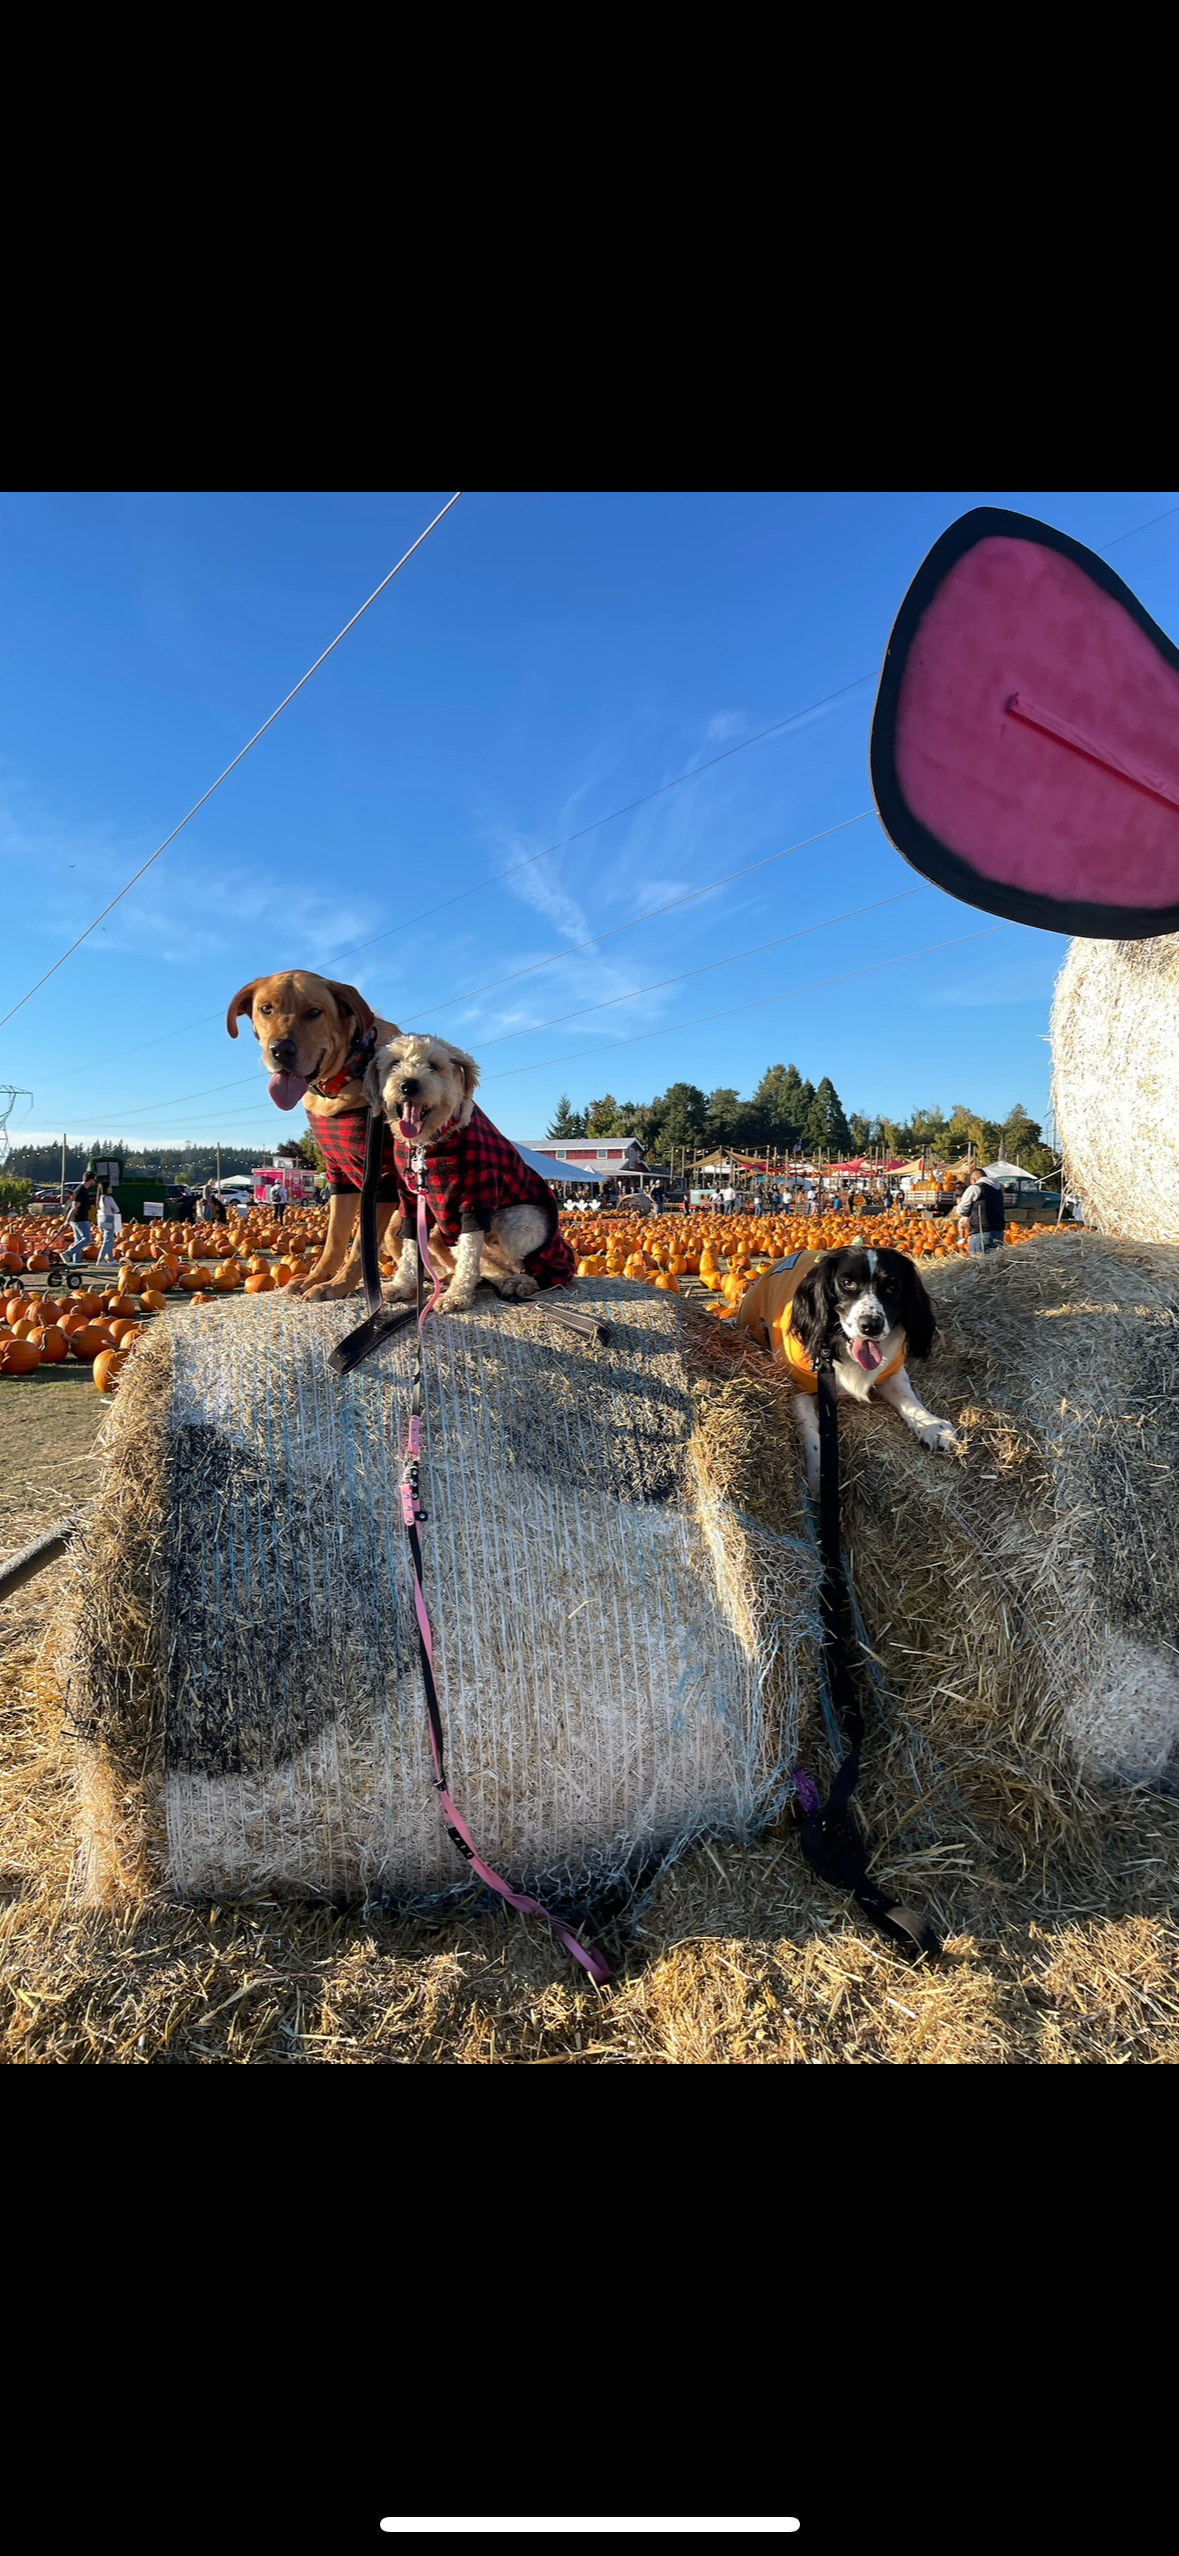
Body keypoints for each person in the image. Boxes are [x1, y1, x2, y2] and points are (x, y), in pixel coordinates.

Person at [956, 1166, 1005, 1254]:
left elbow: (962, 1210)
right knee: (994, 1264)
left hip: (981, 1232)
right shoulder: (998, 1190)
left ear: (974, 1180)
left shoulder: (975, 1188)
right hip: (998, 1231)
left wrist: (960, 1204)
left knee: (978, 1264)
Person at [66, 1176, 95, 1262]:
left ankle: (77, 1261)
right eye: (94, 1179)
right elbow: (74, 1206)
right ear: (91, 1180)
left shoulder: (84, 1190)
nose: (95, 1182)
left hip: (80, 1218)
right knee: (87, 1239)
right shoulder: (80, 1190)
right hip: (80, 1219)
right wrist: (67, 1220)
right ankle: (68, 1253)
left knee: (78, 1241)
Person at [96, 1179, 120, 1261]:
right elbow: (116, 1209)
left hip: (100, 1219)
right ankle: (101, 1259)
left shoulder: (99, 1199)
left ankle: (111, 1259)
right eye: (110, 1187)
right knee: (108, 1240)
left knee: (108, 1239)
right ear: (106, 1188)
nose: (111, 1188)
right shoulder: (109, 1198)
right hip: (109, 1218)